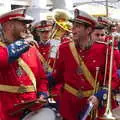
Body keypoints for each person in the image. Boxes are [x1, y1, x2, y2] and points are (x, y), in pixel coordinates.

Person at [52, 8, 120, 120]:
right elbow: (58, 76)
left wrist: (99, 96)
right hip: (69, 105)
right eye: (73, 26)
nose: (72, 30)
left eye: (77, 26)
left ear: (88, 30)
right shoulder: (64, 48)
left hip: (93, 105)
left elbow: (112, 79)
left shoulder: (104, 49)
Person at [0, 8, 48, 120]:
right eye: (23, 24)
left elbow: (42, 79)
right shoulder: (8, 48)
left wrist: (42, 93)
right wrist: (24, 43)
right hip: (5, 112)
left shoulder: (31, 49)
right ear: (10, 26)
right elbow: (3, 59)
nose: (26, 27)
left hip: (31, 112)